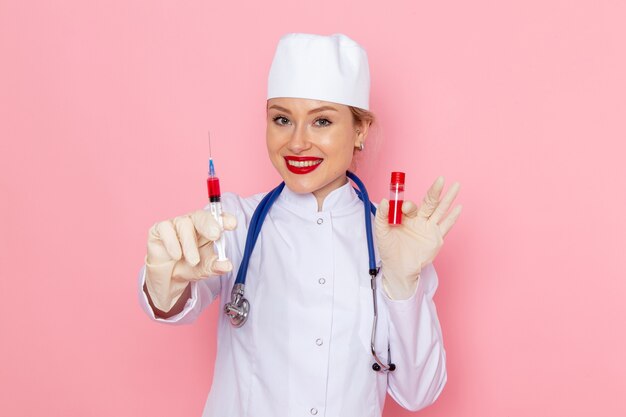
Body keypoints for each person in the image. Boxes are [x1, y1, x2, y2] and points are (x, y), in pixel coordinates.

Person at [138, 33, 462, 417]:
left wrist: (405, 284)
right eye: (282, 120)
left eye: (321, 121)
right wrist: (165, 283)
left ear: (360, 131)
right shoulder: (232, 222)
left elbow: (418, 393)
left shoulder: (392, 240)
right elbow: (175, 302)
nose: (296, 143)